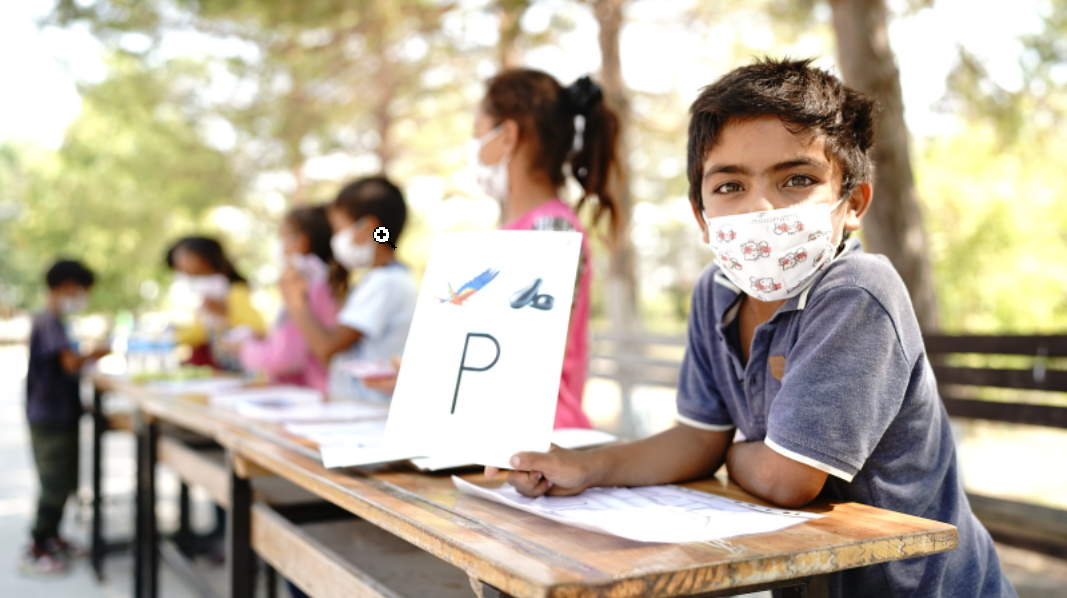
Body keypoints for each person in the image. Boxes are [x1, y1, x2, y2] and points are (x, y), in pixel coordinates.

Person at [487, 58, 1016, 597]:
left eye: (797, 180)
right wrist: (587, 466)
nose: (760, 207)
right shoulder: (714, 294)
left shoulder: (854, 292)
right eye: (730, 186)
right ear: (701, 216)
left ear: (852, 202)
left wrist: (732, 451)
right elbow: (698, 436)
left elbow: (788, 480)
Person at [363, 69, 621, 429]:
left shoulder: (549, 230)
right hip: (500, 433)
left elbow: (520, 359)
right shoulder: (521, 230)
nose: (475, 147)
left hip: (538, 440)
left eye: (478, 134)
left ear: (508, 136)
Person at [281, 177, 416, 402]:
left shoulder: (385, 283)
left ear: (367, 229)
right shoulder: (382, 280)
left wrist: (295, 301)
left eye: (338, 228)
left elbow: (327, 349)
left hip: (369, 410)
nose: (335, 239)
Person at [20, 260, 109, 576]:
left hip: (61, 413)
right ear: (69, 285)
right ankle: (36, 546)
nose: (82, 296)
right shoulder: (48, 321)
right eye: (82, 290)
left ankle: (54, 538)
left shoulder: (53, 320)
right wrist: (95, 354)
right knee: (54, 484)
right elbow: (70, 363)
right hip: (49, 417)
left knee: (66, 481)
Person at [235, 206, 345, 393]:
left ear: (301, 242)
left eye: (283, 236)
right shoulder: (329, 283)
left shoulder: (308, 287)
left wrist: (243, 348)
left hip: (310, 396)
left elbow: (287, 358)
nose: (281, 245)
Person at [165, 236, 266, 370]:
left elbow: (259, 330)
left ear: (205, 258)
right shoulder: (208, 294)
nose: (181, 264)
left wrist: (225, 312)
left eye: (185, 256)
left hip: (234, 370)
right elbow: (201, 330)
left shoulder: (234, 291)